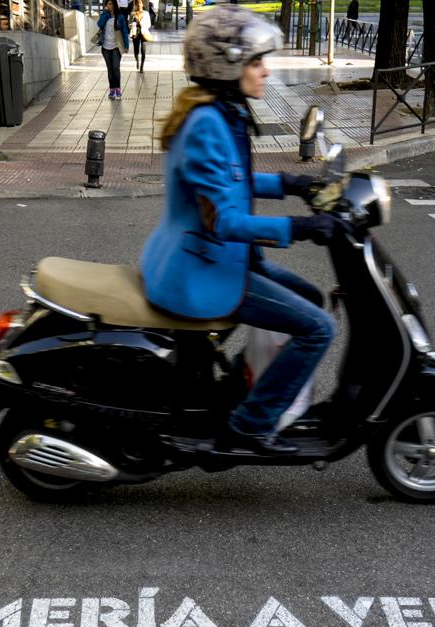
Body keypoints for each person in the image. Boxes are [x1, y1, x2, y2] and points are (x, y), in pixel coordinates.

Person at [140, 5, 346, 456]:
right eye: (256, 61)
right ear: (228, 65)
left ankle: (242, 384)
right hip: (203, 270)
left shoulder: (218, 112)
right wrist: (302, 227)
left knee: (309, 299)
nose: (265, 70)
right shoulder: (208, 125)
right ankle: (251, 427)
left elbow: (229, 181)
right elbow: (226, 221)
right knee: (317, 328)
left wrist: (292, 184)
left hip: (208, 259)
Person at [97, 0, 130, 100]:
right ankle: (112, 90)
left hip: (116, 46)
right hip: (105, 47)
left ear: (114, 5)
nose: (108, 6)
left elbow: (124, 31)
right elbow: (100, 24)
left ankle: (118, 89)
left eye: (110, 4)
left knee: (116, 68)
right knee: (110, 69)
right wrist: (105, 13)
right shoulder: (105, 15)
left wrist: (126, 45)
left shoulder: (120, 17)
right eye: (107, 4)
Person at [130, 2, 152, 73]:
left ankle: (142, 66)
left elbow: (149, 24)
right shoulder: (133, 14)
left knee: (143, 50)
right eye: (137, 4)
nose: (139, 5)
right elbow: (129, 24)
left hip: (144, 33)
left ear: (142, 5)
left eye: (140, 3)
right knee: (136, 50)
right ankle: (137, 61)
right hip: (135, 33)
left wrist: (140, 22)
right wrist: (132, 23)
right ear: (135, 5)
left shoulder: (146, 13)